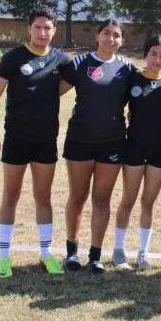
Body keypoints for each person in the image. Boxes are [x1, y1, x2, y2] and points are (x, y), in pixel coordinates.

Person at [0, 6, 70, 278]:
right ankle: (4, 256)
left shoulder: (61, 60)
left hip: (45, 140)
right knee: (10, 196)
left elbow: (70, 83)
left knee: (43, 198)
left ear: (55, 30)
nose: (42, 33)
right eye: (38, 27)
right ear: (29, 28)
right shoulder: (13, 58)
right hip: (16, 139)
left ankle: (46, 253)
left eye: (48, 28)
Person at [59, 19, 135, 273]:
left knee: (102, 199)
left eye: (116, 35)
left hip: (112, 141)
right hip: (80, 139)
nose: (111, 39)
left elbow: (147, 87)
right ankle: (71, 253)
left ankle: (95, 256)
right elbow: (54, 91)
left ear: (121, 40)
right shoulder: (80, 63)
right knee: (78, 196)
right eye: (106, 33)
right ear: (97, 36)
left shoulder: (127, 67)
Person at [113, 35, 161, 271]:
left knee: (148, 202)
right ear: (145, 54)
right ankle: (119, 250)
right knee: (128, 200)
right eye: (153, 54)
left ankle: (143, 253)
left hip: (160, 150)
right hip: (134, 148)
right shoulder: (132, 79)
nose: (157, 59)